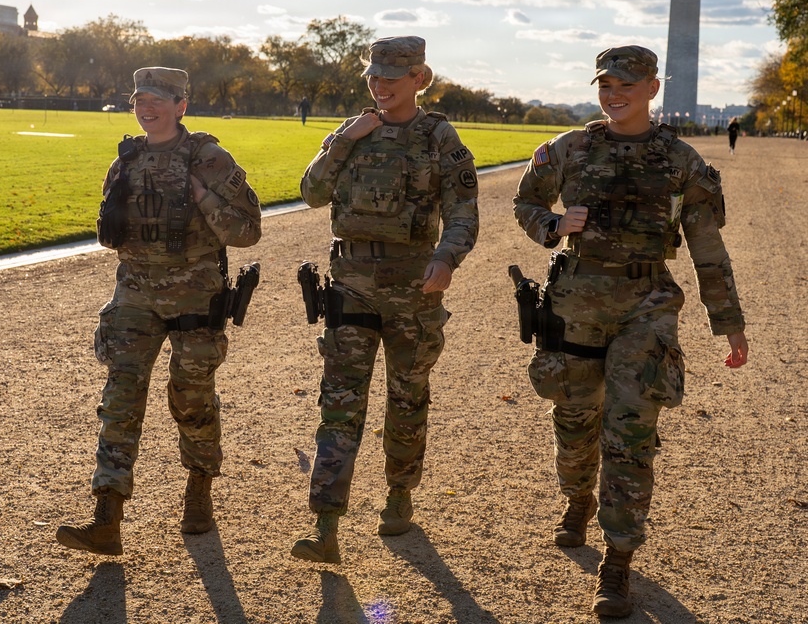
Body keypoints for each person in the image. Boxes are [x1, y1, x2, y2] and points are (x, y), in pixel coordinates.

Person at [513, 45, 749, 617]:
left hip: (647, 305)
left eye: (625, 85)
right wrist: (551, 224)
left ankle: (618, 558)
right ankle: (577, 499)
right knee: (574, 423)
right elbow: (526, 201)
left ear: (652, 88)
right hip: (575, 303)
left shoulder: (682, 161)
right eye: (605, 85)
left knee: (630, 431)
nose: (613, 95)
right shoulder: (570, 148)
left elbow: (707, 248)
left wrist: (730, 324)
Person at [56, 66, 262, 555]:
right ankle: (106, 515)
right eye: (139, 100)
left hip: (195, 296)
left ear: (180, 106)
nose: (146, 109)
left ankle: (198, 489)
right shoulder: (126, 159)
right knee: (121, 396)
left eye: (157, 100)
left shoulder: (209, 157)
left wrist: (202, 197)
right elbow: (112, 229)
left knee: (191, 397)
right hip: (135, 294)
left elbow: (248, 230)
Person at [290, 36, 479, 564]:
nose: (379, 86)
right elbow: (311, 193)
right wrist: (342, 142)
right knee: (340, 404)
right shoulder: (352, 131)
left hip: (413, 290)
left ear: (419, 79)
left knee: (406, 398)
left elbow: (463, 211)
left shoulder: (439, 136)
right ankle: (326, 524)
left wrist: (446, 260)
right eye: (373, 77)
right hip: (350, 282)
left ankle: (399, 493)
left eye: (390, 79)